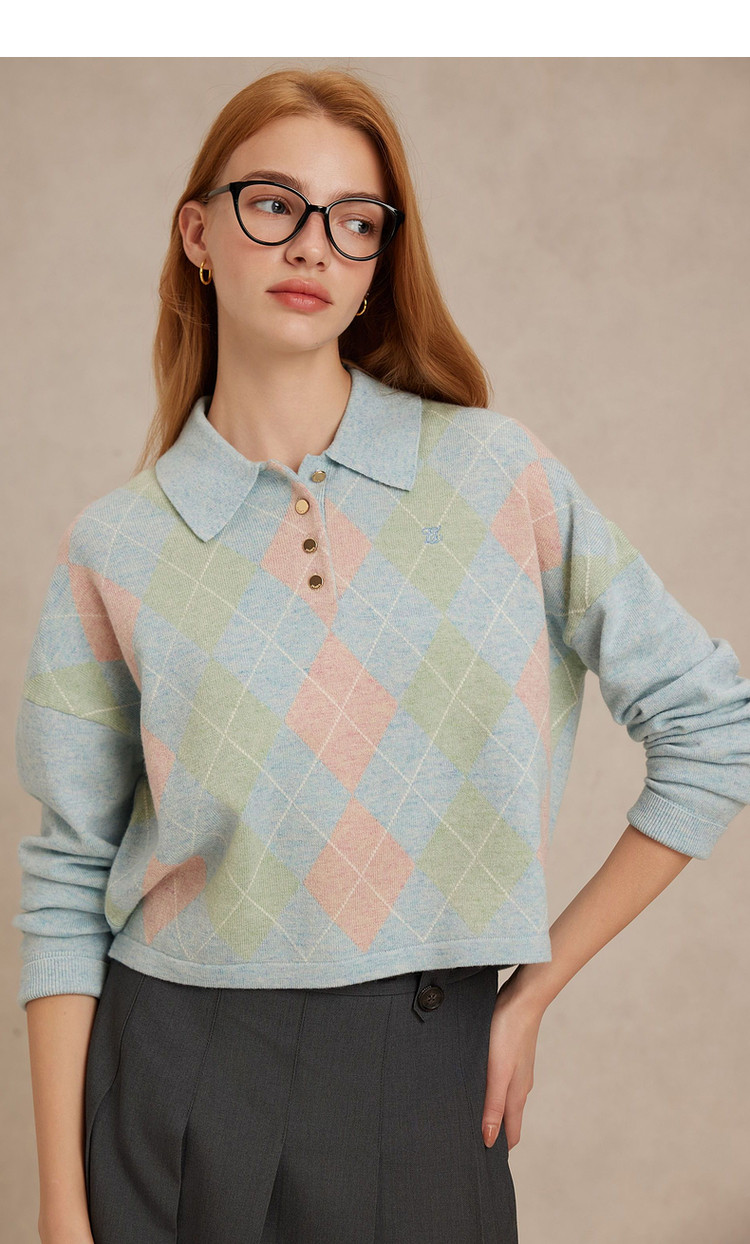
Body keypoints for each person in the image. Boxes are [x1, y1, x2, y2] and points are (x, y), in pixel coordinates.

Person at [13, 67, 750, 1244]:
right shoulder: (118, 545)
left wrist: (536, 985)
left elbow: (716, 724)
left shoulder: (496, 476)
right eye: (273, 204)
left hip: (425, 1072)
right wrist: (61, 1209)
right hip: (173, 1077)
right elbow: (66, 876)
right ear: (197, 233)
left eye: (354, 220)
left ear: (376, 265)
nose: (312, 243)